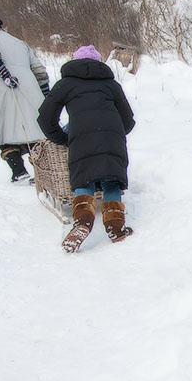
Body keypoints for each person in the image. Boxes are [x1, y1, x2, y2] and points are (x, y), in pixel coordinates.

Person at [37, 45, 135, 253]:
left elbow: (45, 118)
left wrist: (65, 139)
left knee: (84, 178)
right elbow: (128, 120)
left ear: (74, 62)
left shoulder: (65, 84)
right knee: (111, 180)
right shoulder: (111, 84)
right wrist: (113, 134)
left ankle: (82, 222)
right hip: (112, 136)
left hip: (81, 137)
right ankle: (116, 228)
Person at [0, 12, 50, 183]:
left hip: (2, 86)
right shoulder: (19, 43)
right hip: (29, 87)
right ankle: (41, 173)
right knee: (33, 130)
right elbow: (39, 70)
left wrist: (4, 74)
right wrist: (45, 93)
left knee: (3, 129)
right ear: (0, 25)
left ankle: (19, 171)